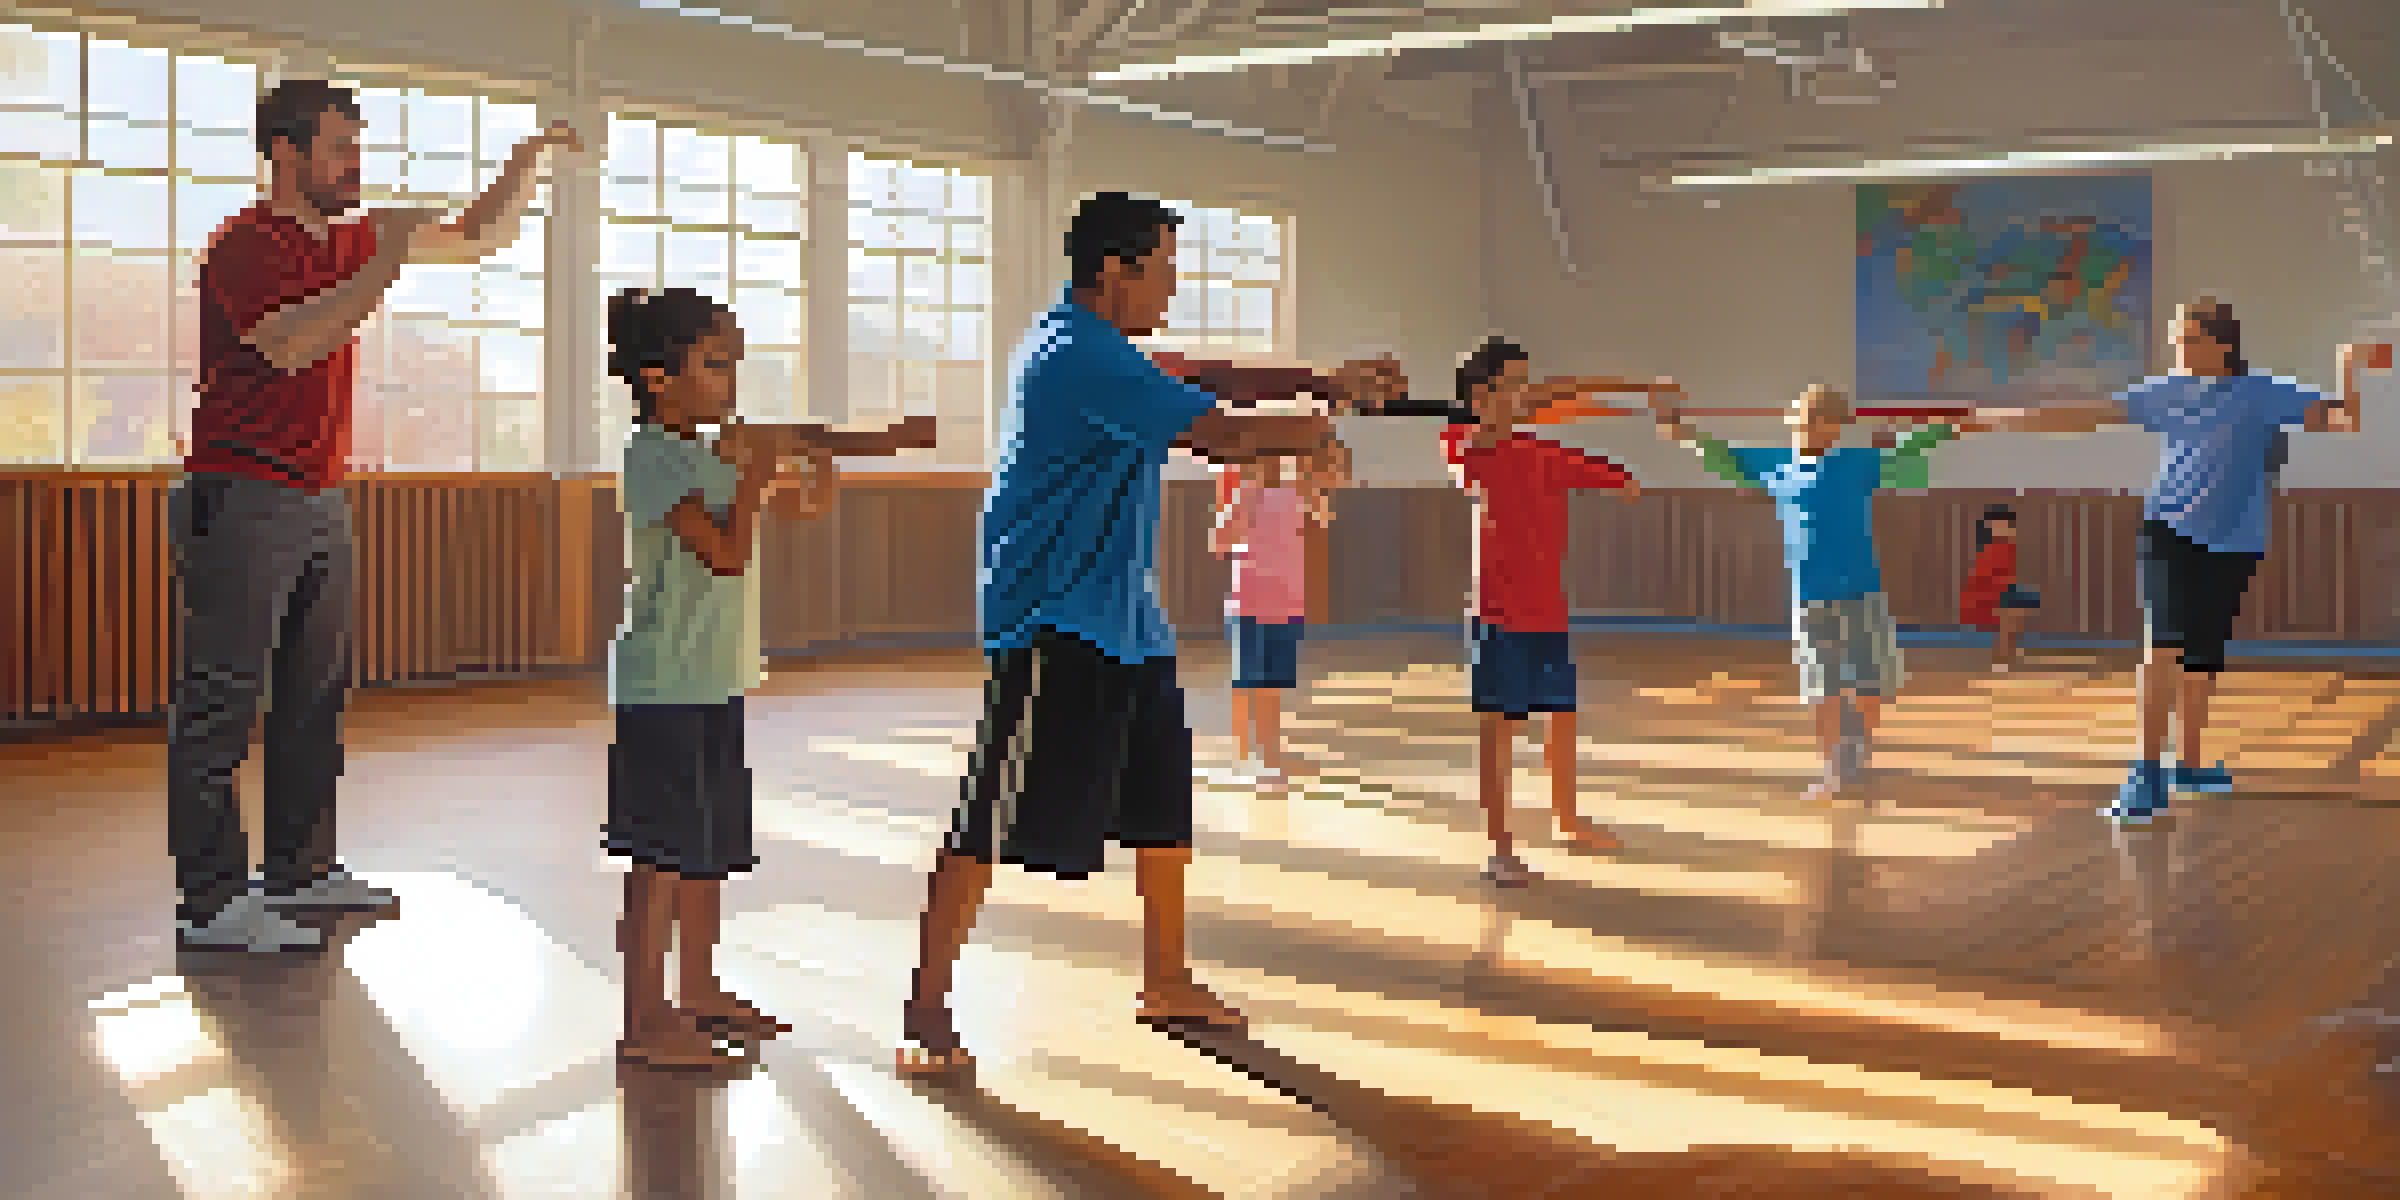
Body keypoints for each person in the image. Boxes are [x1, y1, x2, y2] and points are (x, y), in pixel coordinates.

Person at [899, 191, 1405, 1080]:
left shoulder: (1106, 347)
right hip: (1052, 616)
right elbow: (1225, 433)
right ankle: (926, 1006)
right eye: (1164, 267)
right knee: (989, 815)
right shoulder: (1074, 357)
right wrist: (1334, 420)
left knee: (1162, 808)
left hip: (1126, 619)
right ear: (1113, 270)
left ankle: (1166, 980)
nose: (1173, 284)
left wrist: (1322, 379)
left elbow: (1208, 373)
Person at [170, 80, 580, 953]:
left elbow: (478, 236)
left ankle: (302, 871)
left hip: (320, 495)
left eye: (358, 148)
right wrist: (386, 259)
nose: (356, 165)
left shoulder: (356, 237)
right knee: (221, 703)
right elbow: (294, 344)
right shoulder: (244, 245)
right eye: (339, 149)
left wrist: (527, 162)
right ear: (286, 153)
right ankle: (209, 903)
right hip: (239, 491)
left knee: (315, 695)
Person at [1966, 300, 2379, 823]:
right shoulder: (2166, 392)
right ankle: (2145, 772)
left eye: (2186, 338)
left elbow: (2344, 420)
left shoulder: (2264, 394)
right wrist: (1996, 421)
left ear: (2220, 344)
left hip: (2235, 541)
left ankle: (2189, 765)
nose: (2176, 348)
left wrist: (2347, 364)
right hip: (2169, 532)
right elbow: (2087, 414)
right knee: (2162, 646)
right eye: (2175, 338)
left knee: (2203, 657)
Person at [1647, 384, 1977, 801]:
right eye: (1801, 417)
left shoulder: (1856, 464)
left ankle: (1856, 750)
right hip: (1811, 597)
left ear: (1831, 428)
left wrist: (1945, 428)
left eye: (1817, 420)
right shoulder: (1776, 464)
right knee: (1823, 688)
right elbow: (1723, 454)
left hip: (1862, 594)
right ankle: (1832, 769)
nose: (1804, 427)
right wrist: (1678, 428)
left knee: (1870, 686)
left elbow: (1906, 452)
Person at [1441, 338, 1659, 887]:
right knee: (1500, 730)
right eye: (1514, 383)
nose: (1526, 394)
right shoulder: (1466, 443)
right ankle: (1500, 846)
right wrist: (1633, 386)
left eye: (1525, 383)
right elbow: (1521, 412)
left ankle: (1567, 818)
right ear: (1482, 393)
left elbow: (1611, 476)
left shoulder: (1543, 454)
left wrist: (1625, 479)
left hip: (1548, 614)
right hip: (1497, 614)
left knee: (1561, 717)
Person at [1211, 438, 1349, 783]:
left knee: (1273, 683)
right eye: (1262, 458)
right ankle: (1242, 755)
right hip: (1249, 602)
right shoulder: (1243, 494)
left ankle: (1268, 753)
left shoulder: (1298, 492)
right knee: (1246, 683)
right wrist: (1240, 504)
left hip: (1288, 602)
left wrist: (1316, 479)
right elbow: (1219, 542)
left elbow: (1326, 516)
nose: (1270, 464)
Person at [1960, 504, 2041, 672]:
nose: (2006, 528)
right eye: (2001, 524)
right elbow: (1983, 583)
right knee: (2010, 613)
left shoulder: (2006, 547)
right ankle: (2002, 657)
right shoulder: (1991, 549)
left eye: (2008, 525)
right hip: (1985, 597)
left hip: (1999, 594)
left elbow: (2006, 581)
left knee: (2020, 608)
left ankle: (2008, 654)